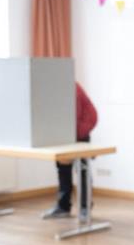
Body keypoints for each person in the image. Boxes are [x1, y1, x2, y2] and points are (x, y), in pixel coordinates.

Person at [42, 82, 98, 219]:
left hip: (80, 130)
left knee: (82, 168)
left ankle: (85, 208)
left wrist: (75, 136)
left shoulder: (71, 88)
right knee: (63, 167)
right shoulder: (50, 89)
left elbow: (75, 114)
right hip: (65, 130)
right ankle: (63, 207)